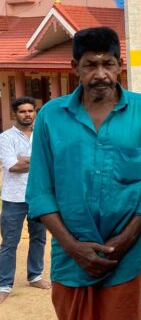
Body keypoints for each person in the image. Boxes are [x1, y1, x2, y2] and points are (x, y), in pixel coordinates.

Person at [26, 26, 141, 320]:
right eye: (90, 65)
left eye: (108, 64)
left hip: (125, 259)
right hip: (69, 257)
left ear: (120, 66)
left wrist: (124, 241)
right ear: (75, 67)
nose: (100, 74)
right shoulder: (51, 116)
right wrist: (73, 247)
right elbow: (40, 191)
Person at [0, 97, 50, 303]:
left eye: (31, 111)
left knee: (39, 238)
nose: (27, 114)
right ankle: (4, 284)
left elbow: (52, 161)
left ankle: (35, 275)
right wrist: (38, 160)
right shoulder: (5, 138)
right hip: (14, 198)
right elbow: (12, 166)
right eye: (22, 111)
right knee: (10, 242)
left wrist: (25, 159)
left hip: (38, 196)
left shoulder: (42, 135)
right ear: (15, 114)